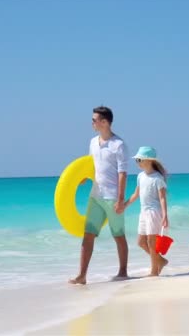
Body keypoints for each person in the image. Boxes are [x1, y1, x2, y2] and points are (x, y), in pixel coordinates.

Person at [68, 106, 129, 285]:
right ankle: (82, 275)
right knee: (88, 234)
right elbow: (90, 166)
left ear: (104, 122)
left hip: (112, 197)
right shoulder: (93, 142)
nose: (92, 123)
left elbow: (122, 173)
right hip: (95, 195)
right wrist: (80, 180)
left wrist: (120, 200)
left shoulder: (119, 145)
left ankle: (123, 271)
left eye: (94, 120)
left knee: (118, 235)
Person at [124, 146, 170, 276]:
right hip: (143, 212)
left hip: (154, 212)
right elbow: (135, 194)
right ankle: (160, 261)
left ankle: (154, 271)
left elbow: (162, 198)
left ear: (149, 160)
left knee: (151, 242)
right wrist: (124, 205)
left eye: (139, 159)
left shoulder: (157, 178)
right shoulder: (140, 176)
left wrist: (165, 215)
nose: (137, 162)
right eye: (137, 160)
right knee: (141, 242)